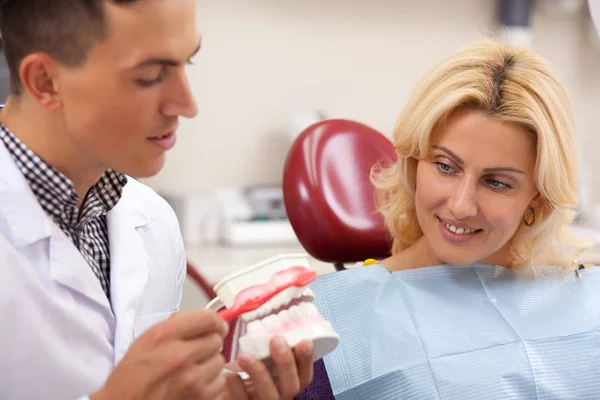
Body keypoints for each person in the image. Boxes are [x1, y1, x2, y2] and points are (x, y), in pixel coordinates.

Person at [0, 1, 314, 399]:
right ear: (46, 82)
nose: (187, 104)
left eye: (188, 65)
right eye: (150, 77)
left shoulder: (153, 219)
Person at [297, 39, 599, 399]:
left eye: (497, 182)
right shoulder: (326, 327)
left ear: (538, 197)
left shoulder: (583, 301)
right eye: (445, 166)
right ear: (414, 161)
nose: (460, 205)